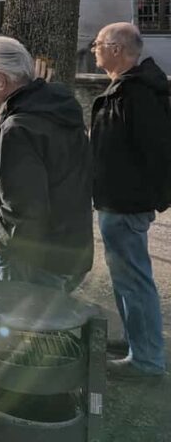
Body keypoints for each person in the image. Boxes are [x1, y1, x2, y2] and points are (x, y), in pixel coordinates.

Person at [0, 35, 93, 291]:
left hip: (34, 260)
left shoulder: (19, 127)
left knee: (25, 326)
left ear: (1, 80)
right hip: (70, 248)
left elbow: (24, 208)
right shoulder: (57, 107)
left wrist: (0, 241)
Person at [90, 22, 170, 379]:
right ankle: (137, 342)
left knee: (134, 281)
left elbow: (155, 151)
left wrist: (148, 198)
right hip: (118, 200)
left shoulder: (135, 93)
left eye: (98, 44)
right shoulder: (126, 89)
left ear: (117, 49)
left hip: (126, 202)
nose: (94, 48)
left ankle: (147, 360)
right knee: (127, 280)